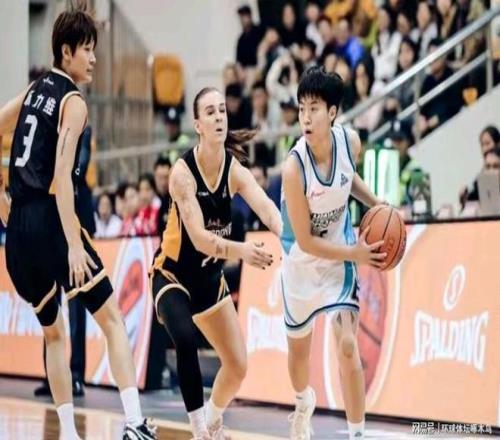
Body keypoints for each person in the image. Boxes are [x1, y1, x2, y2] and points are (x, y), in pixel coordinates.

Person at [0, 5, 156, 439]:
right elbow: (62, 178)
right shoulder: (73, 102)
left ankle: (68, 432)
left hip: (17, 234)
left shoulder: (33, 91)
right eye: (87, 50)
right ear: (66, 52)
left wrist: (1, 197)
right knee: (112, 319)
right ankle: (134, 423)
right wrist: (72, 243)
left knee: (54, 333)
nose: (93, 59)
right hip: (52, 221)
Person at [150, 87, 282, 440]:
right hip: (172, 275)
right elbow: (199, 239)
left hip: (208, 280)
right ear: (198, 125)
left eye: (222, 110)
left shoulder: (234, 171)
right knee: (185, 338)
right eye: (210, 112)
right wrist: (243, 251)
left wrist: (291, 237)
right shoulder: (182, 174)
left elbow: (267, 208)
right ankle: (199, 432)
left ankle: (212, 419)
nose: (219, 116)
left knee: (237, 366)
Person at [280, 66, 386, 440]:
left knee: (347, 346)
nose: (305, 118)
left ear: (333, 112)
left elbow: (347, 177)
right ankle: (302, 401)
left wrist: (378, 204)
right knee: (299, 360)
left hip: (339, 260)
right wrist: (355, 253)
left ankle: (357, 434)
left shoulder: (350, 142)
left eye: (314, 109)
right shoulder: (293, 169)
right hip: (301, 264)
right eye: (301, 109)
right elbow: (306, 241)